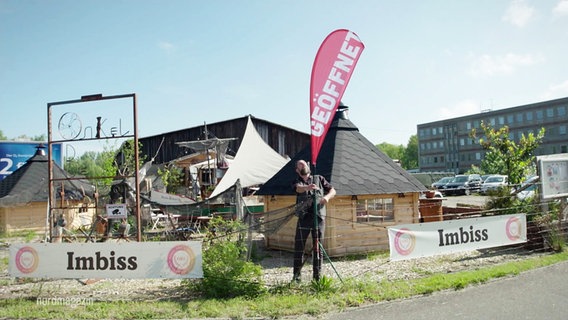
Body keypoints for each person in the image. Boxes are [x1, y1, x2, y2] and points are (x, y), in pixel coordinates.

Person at [292, 159, 336, 282]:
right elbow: (298, 189)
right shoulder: (297, 181)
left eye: (304, 163)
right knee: (299, 247)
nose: (303, 165)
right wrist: (308, 187)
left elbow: (333, 190)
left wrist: (327, 197)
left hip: (319, 217)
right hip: (303, 218)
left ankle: (317, 279)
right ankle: (297, 278)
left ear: (308, 166)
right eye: (300, 164)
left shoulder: (319, 178)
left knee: (318, 248)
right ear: (297, 170)